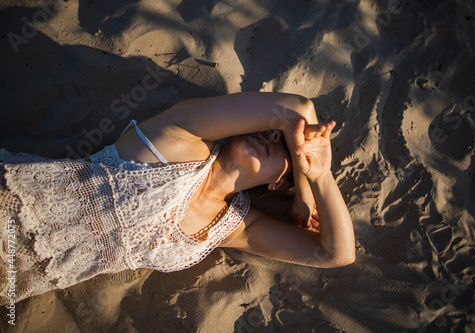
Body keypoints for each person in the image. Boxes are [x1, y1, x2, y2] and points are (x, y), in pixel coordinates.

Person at [0, 92, 355, 304]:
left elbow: (335, 254)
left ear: (279, 182)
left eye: (285, 150)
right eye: (273, 132)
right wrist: (303, 195)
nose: (272, 138)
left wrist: (318, 175)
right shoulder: (181, 136)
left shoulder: (230, 228)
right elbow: (298, 107)